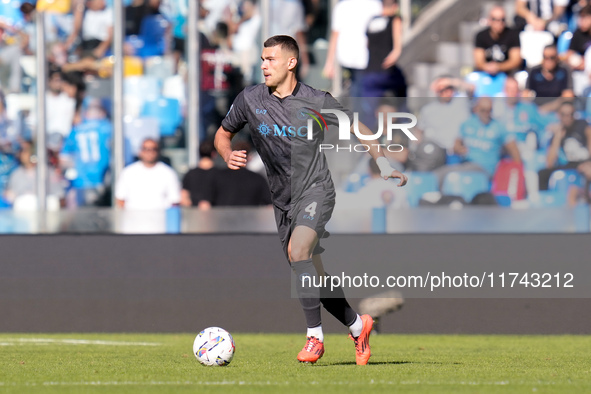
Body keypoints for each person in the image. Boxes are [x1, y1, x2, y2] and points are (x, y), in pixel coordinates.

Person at [214, 35, 408, 365]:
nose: (263, 65)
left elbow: (358, 127)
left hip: (316, 190)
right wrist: (227, 152)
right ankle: (359, 326)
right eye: (262, 59)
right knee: (310, 274)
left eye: (270, 59)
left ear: (291, 62)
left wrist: (384, 163)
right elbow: (223, 132)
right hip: (282, 199)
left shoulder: (316, 100)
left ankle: (314, 338)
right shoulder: (249, 98)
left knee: (298, 251)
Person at [434, 97, 522, 185]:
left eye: (489, 110)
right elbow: (457, 143)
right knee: (440, 173)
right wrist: (459, 149)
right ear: (477, 109)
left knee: (447, 174)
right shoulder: (468, 123)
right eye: (483, 110)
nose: (486, 113)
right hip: (466, 164)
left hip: (485, 169)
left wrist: (518, 171)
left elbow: (513, 149)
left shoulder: (499, 127)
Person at [323, 0, 383, 97]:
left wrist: (329, 63)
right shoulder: (375, 5)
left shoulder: (341, 6)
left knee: (356, 88)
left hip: (348, 56)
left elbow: (335, 35)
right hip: (368, 56)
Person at [115, 138, 180, 210]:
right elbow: (120, 199)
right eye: (146, 149)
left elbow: (174, 201)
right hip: (133, 219)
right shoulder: (128, 172)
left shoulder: (168, 173)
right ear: (140, 151)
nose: (150, 152)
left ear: (158, 151)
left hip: (159, 219)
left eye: (153, 149)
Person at [539, 101, 591, 189]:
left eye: (570, 114)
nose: (567, 118)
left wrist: (589, 162)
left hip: (585, 161)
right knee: (543, 173)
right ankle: (545, 200)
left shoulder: (583, 125)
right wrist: (557, 137)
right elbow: (550, 163)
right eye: (564, 114)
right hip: (570, 165)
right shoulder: (557, 132)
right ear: (559, 115)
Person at [474, 6, 522, 76]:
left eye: (502, 19)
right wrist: (488, 67)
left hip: (508, 75)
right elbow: (479, 62)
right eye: (495, 19)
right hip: (486, 74)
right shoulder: (481, 36)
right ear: (489, 20)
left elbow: (516, 61)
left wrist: (498, 67)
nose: (499, 23)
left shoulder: (513, 35)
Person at [525, 45, 574, 112]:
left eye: (552, 57)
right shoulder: (534, 71)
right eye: (545, 57)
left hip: (557, 110)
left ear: (557, 58)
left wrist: (548, 108)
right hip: (537, 110)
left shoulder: (564, 70)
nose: (548, 61)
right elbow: (525, 94)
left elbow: (568, 95)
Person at [180, 139, 218, 209]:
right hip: (215, 215)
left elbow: (184, 197)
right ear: (214, 154)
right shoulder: (219, 174)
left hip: (194, 215)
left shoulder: (190, 174)